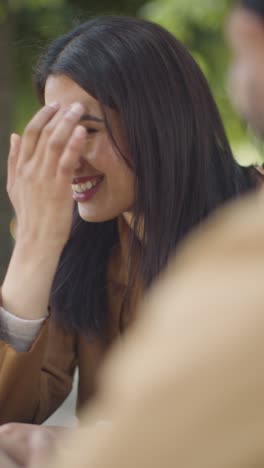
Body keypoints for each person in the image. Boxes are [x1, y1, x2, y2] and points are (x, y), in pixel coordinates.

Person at [0, 14, 261, 443]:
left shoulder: (250, 232)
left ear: (158, 121)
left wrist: (85, 446)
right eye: (56, 133)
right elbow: (11, 410)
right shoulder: (81, 242)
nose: (68, 157)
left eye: (86, 129)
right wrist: (34, 246)